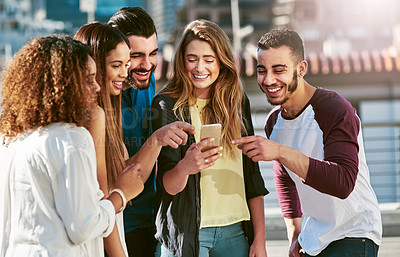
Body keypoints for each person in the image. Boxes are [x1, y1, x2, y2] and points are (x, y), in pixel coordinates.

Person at [232, 28, 382, 257]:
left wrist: (281, 151)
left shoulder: (335, 109)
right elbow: (284, 178)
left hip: (355, 232)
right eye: (262, 70)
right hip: (314, 237)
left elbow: (342, 182)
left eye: (279, 70)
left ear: (301, 69)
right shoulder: (274, 122)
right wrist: (295, 232)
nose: (268, 79)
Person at [0, 35, 144, 256]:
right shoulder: (71, 140)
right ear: (61, 84)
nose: (96, 87)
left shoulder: (10, 140)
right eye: (88, 79)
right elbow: (83, 226)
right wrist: (121, 194)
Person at [74, 22, 194, 257]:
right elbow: (106, 201)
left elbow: (125, 171)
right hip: (113, 235)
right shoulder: (95, 115)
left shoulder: (131, 93)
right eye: (118, 64)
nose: (128, 71)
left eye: (126, 64)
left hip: (138, 227)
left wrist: (158, 139)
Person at [151, 19, 269, 257]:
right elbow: (167, 186)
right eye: (192, 59)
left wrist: (260, 239)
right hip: (187, 233)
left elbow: (252, 175)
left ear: (221, 62)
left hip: (236, 232)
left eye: (208, 59)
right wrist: (186, 167)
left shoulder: (236, 102)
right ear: (182, 60)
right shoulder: (166, 105)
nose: (199, 68)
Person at [107, 7, 160, 256]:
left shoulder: (148, 83)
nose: (147, 65)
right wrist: (157, 140)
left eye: (153, 54)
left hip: (156, 223)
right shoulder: (102, 102)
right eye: (137, 55)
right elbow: (116, 174)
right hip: (119, 228)